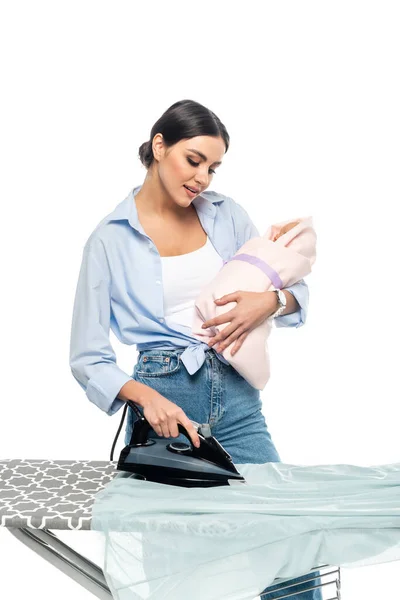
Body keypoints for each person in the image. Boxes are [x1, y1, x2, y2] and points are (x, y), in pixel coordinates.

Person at [69, 99, 322, 600]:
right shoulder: (109, 240)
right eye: (194, 160)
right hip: (165, 403)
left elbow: (296, 294)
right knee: (175, 571)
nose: (204, 177)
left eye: (213, 166)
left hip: (239, 404)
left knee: (289, 537)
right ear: (159, 146)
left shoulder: (228, 216)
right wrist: (144, 396)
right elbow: (87, 356)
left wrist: (268, 302)